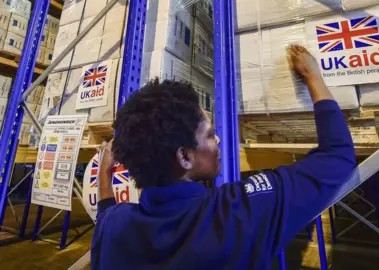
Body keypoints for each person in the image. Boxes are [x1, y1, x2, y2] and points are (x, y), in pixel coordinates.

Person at [91, 45, 357, 269]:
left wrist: (105, 170)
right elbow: (338, 155)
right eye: (209, 135)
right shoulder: (241, 212)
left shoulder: (116, 229)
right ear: (184, 156)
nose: (217, 140)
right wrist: (313, 76)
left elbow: (105, 210)